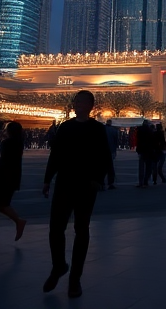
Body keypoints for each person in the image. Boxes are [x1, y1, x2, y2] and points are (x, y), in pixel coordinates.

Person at [42, 90, 114, 299]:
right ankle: (59, 266)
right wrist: (48, 179)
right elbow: (55, 154)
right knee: (56, 227)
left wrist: (100, 179)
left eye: (81, 101)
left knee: (81, 228)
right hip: (64, 183)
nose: (77, 104)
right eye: (75, 101)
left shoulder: (97, 129)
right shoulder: (65, 127)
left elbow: (104, 155)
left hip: (86, 185)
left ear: (91, 105)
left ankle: (75, 278)